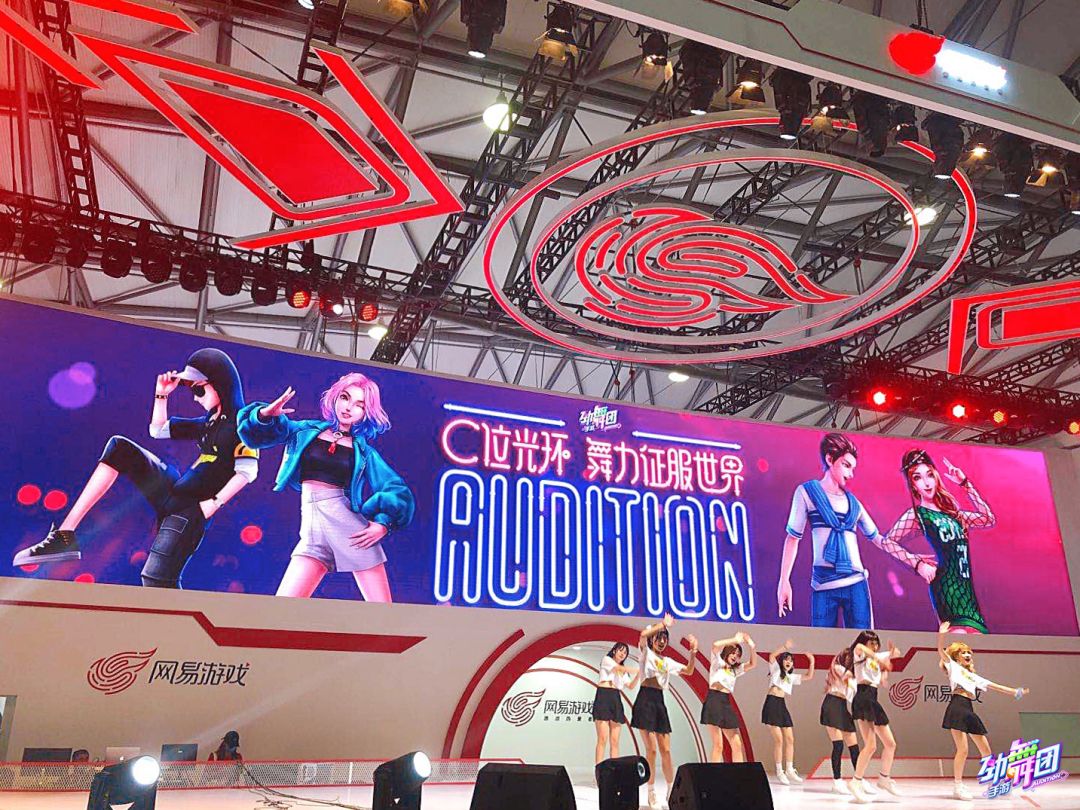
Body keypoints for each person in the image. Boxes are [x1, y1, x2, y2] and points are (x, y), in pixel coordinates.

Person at [12, 348, 258, 588]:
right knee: (119, 447)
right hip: (174, 492)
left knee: (156, 579)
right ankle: (65, 535)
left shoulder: (242, 425)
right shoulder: (209, 422)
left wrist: (212, 505)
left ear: (220, 384)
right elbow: (158, 430)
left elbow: (247, 471)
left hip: (189, 510)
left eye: (198, 389)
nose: (195, 397)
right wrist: (161, 395)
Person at [238, 373, 415, 602]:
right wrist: (264, 415)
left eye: (359, 405)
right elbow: (258, 436)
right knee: (282, 608)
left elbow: (395, 487)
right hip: (312, 529)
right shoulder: (305, 431)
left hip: (351, 529)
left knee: (382, 611)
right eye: (345, 397)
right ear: (335, 397)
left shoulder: (364, 452)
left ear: (366, 413)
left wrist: (383, 524)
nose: (349, 407)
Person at [777, 433, 928, 629]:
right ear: (829, 459)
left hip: (856, 584)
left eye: (853, 468)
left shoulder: (853, 503)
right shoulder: (807, 492)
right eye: (846, 465)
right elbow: (793, 539)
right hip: (823, 585)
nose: (850, 474)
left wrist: (915, 562)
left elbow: (879, 540)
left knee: (864, 645)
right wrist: (784, 581)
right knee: (822, 644)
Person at [880, 450, 996, 633]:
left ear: (935, 476)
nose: (926, 483)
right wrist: (918, 564)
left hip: (968, 594)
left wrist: (965, 484)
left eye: (929, 475)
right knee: (958, 642)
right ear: (913, 485)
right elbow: (887, 542)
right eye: (918, 478)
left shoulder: (954, 515)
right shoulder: (918, 514)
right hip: (946, 589)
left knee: (978, 645)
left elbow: (988, 519)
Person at [937, 622, 1028, 800]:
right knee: (963, 749)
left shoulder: (973, 676)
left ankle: (992, 782)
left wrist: (1015, 692)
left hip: (969, 708)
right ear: (956, 657)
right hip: (957, 706)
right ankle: (957, 786)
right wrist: (941, 634)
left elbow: (995, 686)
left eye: (969, 652)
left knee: (986, 750)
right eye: (963, 652)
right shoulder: (953, 667)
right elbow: (941, 651)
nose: (967, 655)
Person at [631, 614, 698, 810]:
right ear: (653, 639)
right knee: (651, 750)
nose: (662, 641)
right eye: (659, 638)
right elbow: (643, 635)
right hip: (645, 700)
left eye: (664, 638)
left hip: (659, 702)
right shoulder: (645, 653)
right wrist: (662, 624)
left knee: (666, 750)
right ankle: (651, 792)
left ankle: (671, 791)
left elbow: (689, 671)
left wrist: (693, 652)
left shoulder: (667, 661)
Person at [848, 631, 903, 803]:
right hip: (863, 697)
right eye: (871, 643)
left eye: (876, 643)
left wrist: (890, 653)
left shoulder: (877, 656)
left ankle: (884, 778)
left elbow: (897, 653)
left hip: (873, 698)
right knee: (871, 745)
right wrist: (879, 659)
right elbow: (859, 646)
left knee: (890, 744)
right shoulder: (859, 654)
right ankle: (855, 781)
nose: (875, 646)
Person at [762, 639, 814, 785]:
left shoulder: (791, 677)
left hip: (782, 705)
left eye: (791, 660)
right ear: (782, 661)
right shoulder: (776, 670)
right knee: (779, 740)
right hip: (772, 703)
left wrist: (811, 661)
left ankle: (790, 769)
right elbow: (772, 656)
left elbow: (808, 676)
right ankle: (780, 771)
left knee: (790, 739)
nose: (788, 662)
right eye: (786, 659)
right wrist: (785, 647)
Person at [702, 632, 757, 766]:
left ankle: (738, 775)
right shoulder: (718, 662)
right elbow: (715, 645)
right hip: (713, 701)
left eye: (738, 655)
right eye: (733, 653)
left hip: (726, 702)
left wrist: (751, 645)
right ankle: (713, 774)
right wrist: (734, 639)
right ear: (727, 653)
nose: (735, 656)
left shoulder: (735, 670)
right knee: (718, 745)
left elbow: (752, 664)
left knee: (736, 743)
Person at [819, 648, 860, 796]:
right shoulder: (837, 668)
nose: (850, 660)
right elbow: (848, 679)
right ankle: (837, 781)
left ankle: (858, 780)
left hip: (842, 706)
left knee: (854, 747)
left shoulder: (852, 673)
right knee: (838, 745)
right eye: (848, 657)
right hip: (832, 704)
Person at [592, 642, 640, 766]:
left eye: (625, 653)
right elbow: (617, 668)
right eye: (621, 651)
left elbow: (630, 686)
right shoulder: (607, 660)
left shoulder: (623, 671)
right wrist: (637, 669)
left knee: (615, 741)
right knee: (602, 739)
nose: (622, 654)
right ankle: (599, 770)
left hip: (616, 698)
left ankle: (615, 771)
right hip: (603, 696)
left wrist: (639, 675)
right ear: (614, 651)